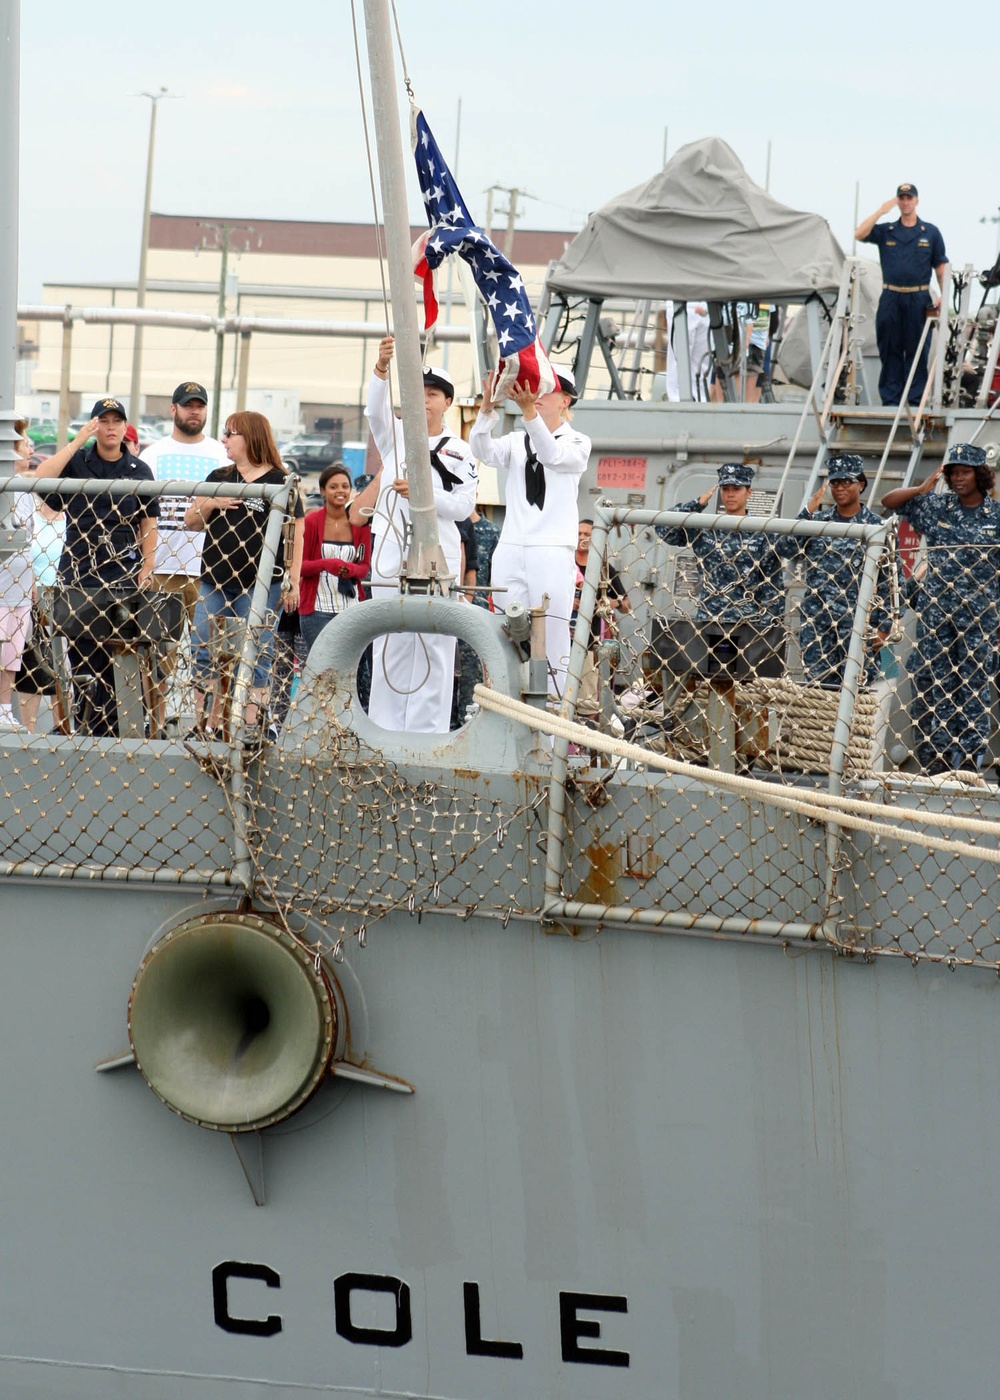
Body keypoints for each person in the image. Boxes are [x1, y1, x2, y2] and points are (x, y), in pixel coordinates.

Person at [354, 336, 477, 732]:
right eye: (418, 391)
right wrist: (381, 368)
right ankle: (385, 732)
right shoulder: (396, 437)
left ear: (447, 402)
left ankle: (427, 733)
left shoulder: (458, 450)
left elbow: (462, 506)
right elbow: (374, 412)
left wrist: (425, 493)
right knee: (389, 641)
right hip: (391, 550)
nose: (424, 399)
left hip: (436, 553)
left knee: (434, 644)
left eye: (433, 393)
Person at [36, 400, 158, 736]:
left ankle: (116, 728)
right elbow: (39, 479)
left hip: (122, 571)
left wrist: (147, 566)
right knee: (79, 651)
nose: (110, 427)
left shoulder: (139, 471)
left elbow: (148, 523)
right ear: (94, 426)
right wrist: (77, 441)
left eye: (117, 421)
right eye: (103, 421)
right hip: (79, 569)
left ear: (124, 427)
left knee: (119, 651)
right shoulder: (78, 462)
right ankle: (84, 724)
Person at [469, 366, 589, 697]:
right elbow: (482, 451)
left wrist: (527, 414)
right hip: (512, 545)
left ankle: (551, 733)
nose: (535, 396)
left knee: (551, 638)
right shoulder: (518, 440)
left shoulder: (578, 442)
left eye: (545, 390)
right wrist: (487, 410)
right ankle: (506, 714)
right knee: (505, 633)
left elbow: (551, 455)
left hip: (551, 549)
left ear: (565, 400)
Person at [184, 411, 303, 740]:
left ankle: (251, 723)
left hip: (261, 585)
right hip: (215, 580)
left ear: (250, 437)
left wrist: (292, 581)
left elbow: (297, 534)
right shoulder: (219, 475)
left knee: (255, 652)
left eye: (230, 433)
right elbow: (190, 521)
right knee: (203, 647)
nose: (224, 439)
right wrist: (212, 503)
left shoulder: (280, 481)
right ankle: (207, 723)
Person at [882, 443, 1000, 773]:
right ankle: (938, 757)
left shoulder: (997, 516)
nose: (958, 478)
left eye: (964, 472)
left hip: (980, 617)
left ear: (980, 474)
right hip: (937, 615)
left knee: (974, 684)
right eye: (953, 473)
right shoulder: (938, 507)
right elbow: (889, 502)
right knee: (936, 682)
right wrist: (921, 488)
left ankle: (969, 761)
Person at [140, 382, 231, 732]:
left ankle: (206, 724)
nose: (194, 411)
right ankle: (158, 721)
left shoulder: (220, 456)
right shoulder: (153, 454)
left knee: (209, 653)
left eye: (200, 406)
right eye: (187, 405)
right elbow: (142, 511)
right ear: (173, 409)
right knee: (161, 652)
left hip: (209, 571)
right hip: (162, 567)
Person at [779, 456, 892, 687]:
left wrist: (884, 627)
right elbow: (786, 548)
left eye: (846, 482)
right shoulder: (818, 522)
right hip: (818, 623)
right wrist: (807, 512)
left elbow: (888, 579)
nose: (840, 488)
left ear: (861, 484)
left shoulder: (877, 527)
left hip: (859, 622)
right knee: (818, 691)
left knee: (857, 691)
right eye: (835, 483)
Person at [657, 462, 785, 631]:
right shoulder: (706, 528)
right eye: (725, 489)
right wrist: (696, 504)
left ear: (749, 492)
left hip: (748, 624)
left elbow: (772, 586)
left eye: (736, 489)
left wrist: (769, 630)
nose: (730, 494)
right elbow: (664, 529)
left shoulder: (762, 533)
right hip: (708, 621)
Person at [855, 183, 948, 407]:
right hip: (891, 297)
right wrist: (880, 211)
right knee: (890, 348)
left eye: (909, 198)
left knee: (918, 351)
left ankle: (915, 401)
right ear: (898, 201)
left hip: (918, 298)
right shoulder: (887, 230)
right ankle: (891, 401)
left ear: (916, 201)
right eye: (902, 198)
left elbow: (940, 266)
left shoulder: (930, 232)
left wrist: (944, 296)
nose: (906, 202)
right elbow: (859, 234)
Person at [298, 463, 371, 654]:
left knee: (348, 666)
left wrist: (350, 570)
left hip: (350, 608)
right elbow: (300, 566)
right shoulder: (311, 522)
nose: (340, 491)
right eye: (333, 486)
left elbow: (364, 567)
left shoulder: (360, 524)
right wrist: (325, 564)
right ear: (323, 490)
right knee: (320, 666)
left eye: (345, 486)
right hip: (317, 608)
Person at [0, 421, 39, 731]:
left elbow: (29, 539)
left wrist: (33, 581)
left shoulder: (25, 488)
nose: (31, 449)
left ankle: (4, 708)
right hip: (1, 585)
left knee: (13, 651)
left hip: (22, 587)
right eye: (27, 442)